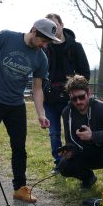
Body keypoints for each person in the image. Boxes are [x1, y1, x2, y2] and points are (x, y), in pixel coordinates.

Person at [0, 18, 60, 203]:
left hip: (16, 105)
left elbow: (37, 88)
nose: (44, 44)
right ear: (33, 30)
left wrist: (41, 114)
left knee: (19, 148)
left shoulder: (41, 57)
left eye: (48, 41)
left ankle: (19, 188)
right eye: (43, 39)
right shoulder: (7, 37)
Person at [42, 13, 91, 173]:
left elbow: (85, 73)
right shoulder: (44, 47)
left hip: (70, 98)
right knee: (54, 133)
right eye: (49, 25)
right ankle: (59, 163)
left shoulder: (75, 47)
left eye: (55, 25)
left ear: (62, 24)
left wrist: (74, 89)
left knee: (72, 132)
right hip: (50, 97)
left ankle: (76, 160)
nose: (53, 28)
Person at [57, 75, 103, 189]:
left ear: (89, 93)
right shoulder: (67, 112)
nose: (78, 101)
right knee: (63, 166)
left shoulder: (100, 108)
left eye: (81, 97)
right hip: (83, 153)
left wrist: (92, 136)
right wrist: (69, 151)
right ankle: (89, 178)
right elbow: (69, 140)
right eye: (74, 99)